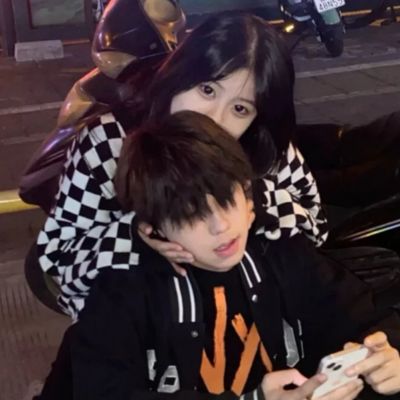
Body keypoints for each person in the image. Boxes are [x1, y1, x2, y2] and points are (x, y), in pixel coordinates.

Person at [37, 111, 400, 400]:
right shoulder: (122, 291)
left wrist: (388, 353)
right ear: (153, 229)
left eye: (227, 200)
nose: (220, 226)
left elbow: (363, 314)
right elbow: (105, 391)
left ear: (249, 198)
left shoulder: (283, 253)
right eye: (191, 213)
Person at [37, 12, 328, 319]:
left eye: (240, 109)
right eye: (207, 90)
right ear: (179, 74)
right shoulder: (108, 143)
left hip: (250, 318)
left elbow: (316, 229)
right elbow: (60, 264)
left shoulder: (262, 147)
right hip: (146, 327)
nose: (213, 118)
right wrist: (135, 237)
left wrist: (256, 200)